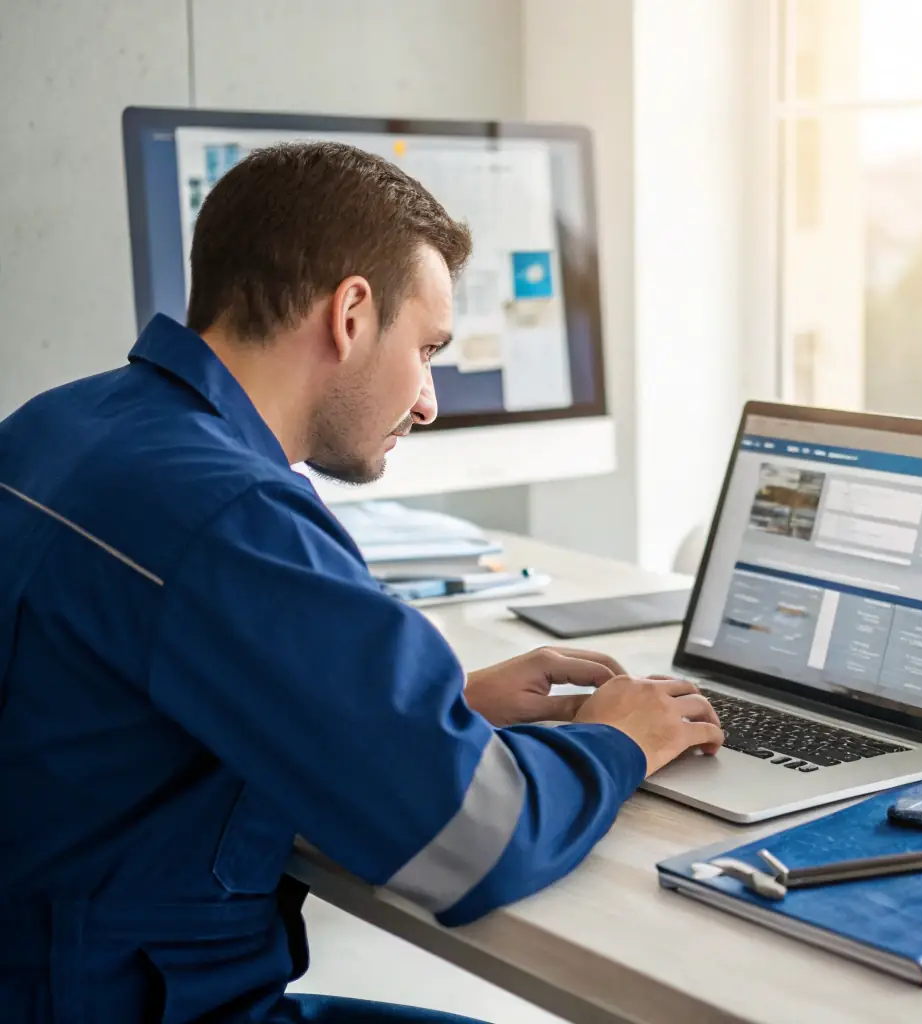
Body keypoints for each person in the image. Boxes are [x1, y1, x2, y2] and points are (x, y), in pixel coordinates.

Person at [0, 141, 724, 1023]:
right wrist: (620, 740)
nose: (426, 400)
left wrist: (447, 705)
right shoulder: (232, 514)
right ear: (350, 313)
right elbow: (476, 843)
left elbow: (126, 706)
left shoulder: (60, 423)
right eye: (426, 349)